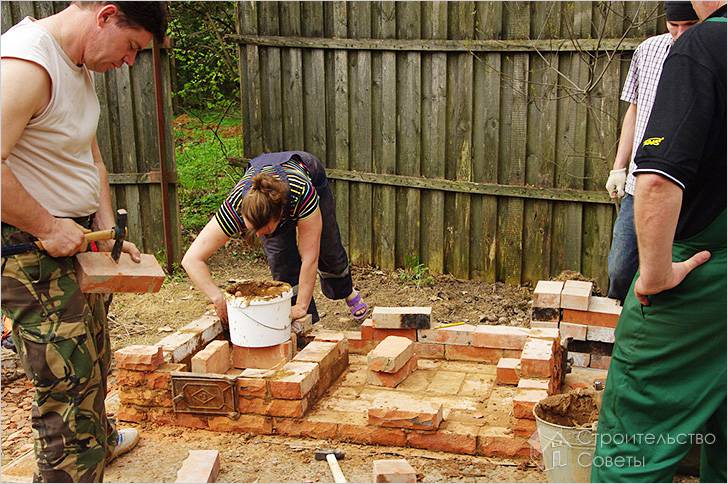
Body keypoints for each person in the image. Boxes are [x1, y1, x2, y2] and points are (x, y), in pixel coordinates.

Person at [1, 2, 167, 481]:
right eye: (131, 46)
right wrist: (49, 227)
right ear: (106, 15)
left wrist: (103, 224)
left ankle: (97, 446)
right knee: (67, 383)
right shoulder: (28, 64)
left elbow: (88, 157)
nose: (129, 62)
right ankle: (72, 466)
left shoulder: (77, 62)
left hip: (72, 239)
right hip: (30, 249)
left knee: (93, 357)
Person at [592, 1, 726, 481]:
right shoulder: (657, 51)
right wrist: (619, 165)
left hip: (701, 268)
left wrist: (655, 275)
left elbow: (657, 180)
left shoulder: (705, 45)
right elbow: (635, 113)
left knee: (635, 442)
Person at [183, 151, 369, 326]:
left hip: (309, 173)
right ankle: (307, 326)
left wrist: (301, 306)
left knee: (329, 251)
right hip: (270, 197)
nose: (258, 235)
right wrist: (217, 297)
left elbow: (309, 258)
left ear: (279, 216)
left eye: (263, 230)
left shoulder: (302, 193)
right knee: (282, 263)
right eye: (252, 229)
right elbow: (191, 259)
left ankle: (347, 291)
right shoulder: (236, 206)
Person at [605, 1, 699, 303]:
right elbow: (635, 109)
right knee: (620, 270)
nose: (680, 34)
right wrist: (618, 167)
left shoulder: (712, 53)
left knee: (678, 275)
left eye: (690, 26)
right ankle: (618, 321)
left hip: (689, 190)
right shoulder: (647, 51)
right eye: (674, 26)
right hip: (639, 186)